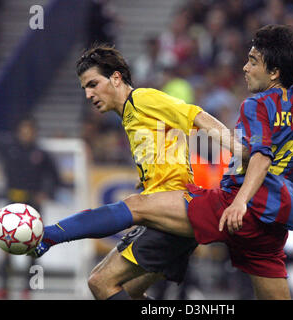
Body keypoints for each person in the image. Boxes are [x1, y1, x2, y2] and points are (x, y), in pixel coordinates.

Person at [33, 1, 293, 300]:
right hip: (278, 214)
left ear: (274, 71)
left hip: (238, 205)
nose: (245, 67)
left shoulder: (255, 105)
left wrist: (240, 200)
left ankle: (52, 234)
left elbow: (258, 155)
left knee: (132, 216)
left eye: (252, 61)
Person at [31, 43, 244, 300]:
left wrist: (239, 149)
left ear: (116, 78)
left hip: (176, 207)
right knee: (124, 291)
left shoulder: (142, 98)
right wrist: (146, 179)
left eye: (93, 84)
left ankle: (51, 234)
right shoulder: (130, 115)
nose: (88, 95)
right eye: (84, 88)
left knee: (100, 280)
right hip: (167, 213)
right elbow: (167, 144)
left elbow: (195, 115)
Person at [0, 118, 61, 299]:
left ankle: (31, 288)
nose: (25, 133)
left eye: (29, 130)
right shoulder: (9, 148)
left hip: (32, 207)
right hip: (11, 205)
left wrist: (46, 192)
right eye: (23, 130)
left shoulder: (41, 153)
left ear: (34, 132)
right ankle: (2, 287)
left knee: (34, 248)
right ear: (18, 131)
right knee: (5, 248)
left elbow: (56, 177)